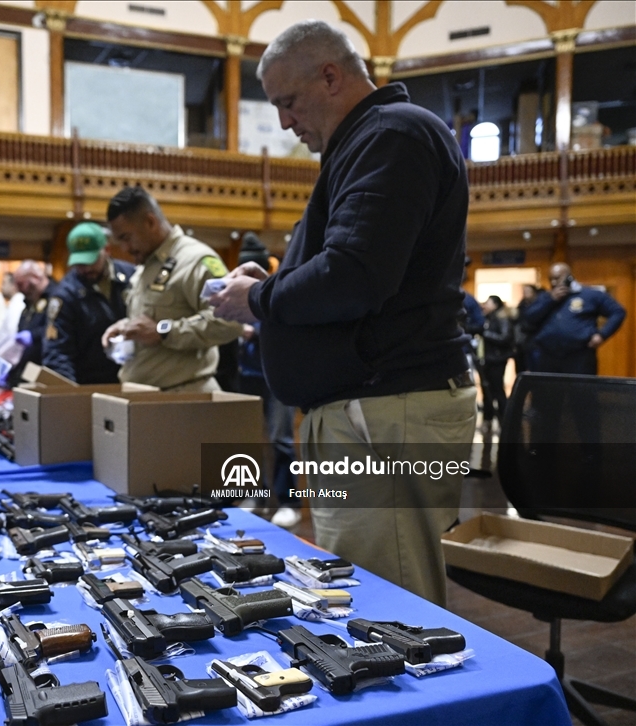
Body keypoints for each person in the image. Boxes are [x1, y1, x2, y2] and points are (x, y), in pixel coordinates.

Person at [209, 20, 475, 606]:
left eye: (288, 101)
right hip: (370, 411)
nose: (285, 122)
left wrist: (258, 299)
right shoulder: (369, 140)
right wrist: (271, 287)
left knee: (389, 611)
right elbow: (353, 267)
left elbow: (354, 275)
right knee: (366, 595)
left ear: (330, 76)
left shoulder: (391, 134)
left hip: (384, 410)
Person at [100, 186, 243, 391]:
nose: (124, 248)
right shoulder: (146, 265)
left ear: (150, 222)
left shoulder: (196, 260)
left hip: (185, 397)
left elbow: (230, 322)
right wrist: (127, 327)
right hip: (147, 396)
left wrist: (163, 331)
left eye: (126, 238)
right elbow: (156, 317)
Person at [234, 233, 300, 529]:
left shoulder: (280, 288)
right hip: (247, 374)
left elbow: (290, 327)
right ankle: (254, 494)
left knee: (280, 439)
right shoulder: (237, 290)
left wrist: (256, 331)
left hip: (278, 377)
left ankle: (288, 502)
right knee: (247, 440)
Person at [43, 222, 135, 384]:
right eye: (79, 263)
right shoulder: (65, 295)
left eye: (91, 261)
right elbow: (57, 352)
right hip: (91, 382)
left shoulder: (132, 277)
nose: (85, 269)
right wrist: (68, 390)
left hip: (134, 377)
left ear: (107, 250)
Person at [523, 262, 626, 375]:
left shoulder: (590, 295)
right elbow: (529, 317)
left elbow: (618, 312)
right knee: (548, 386)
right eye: (551, 279)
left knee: (579, 386)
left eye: (557, 278)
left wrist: (602, 335)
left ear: (569, 277)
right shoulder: (545, 297)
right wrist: (551, 300)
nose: (553, 282)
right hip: (548, 356)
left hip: (579, 355)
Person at [6, 260, 57, 387]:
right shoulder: (29, 301)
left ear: (35, 278)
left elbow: (58, 329)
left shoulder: (57, 296)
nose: (18, 289)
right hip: (27, 371)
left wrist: (33, 336)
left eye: (21, 284)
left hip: (49, 369)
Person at [478, 295, 513, 433]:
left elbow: (505, 337)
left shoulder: (501, 318)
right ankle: (488, 420)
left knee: (498, 390)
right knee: (487, 391)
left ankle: (504, 422)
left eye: (488, 303)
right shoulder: (489, 318)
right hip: (488, 359)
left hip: (497, 359)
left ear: (495, 305)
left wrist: (486, 334)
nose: (485, 305)